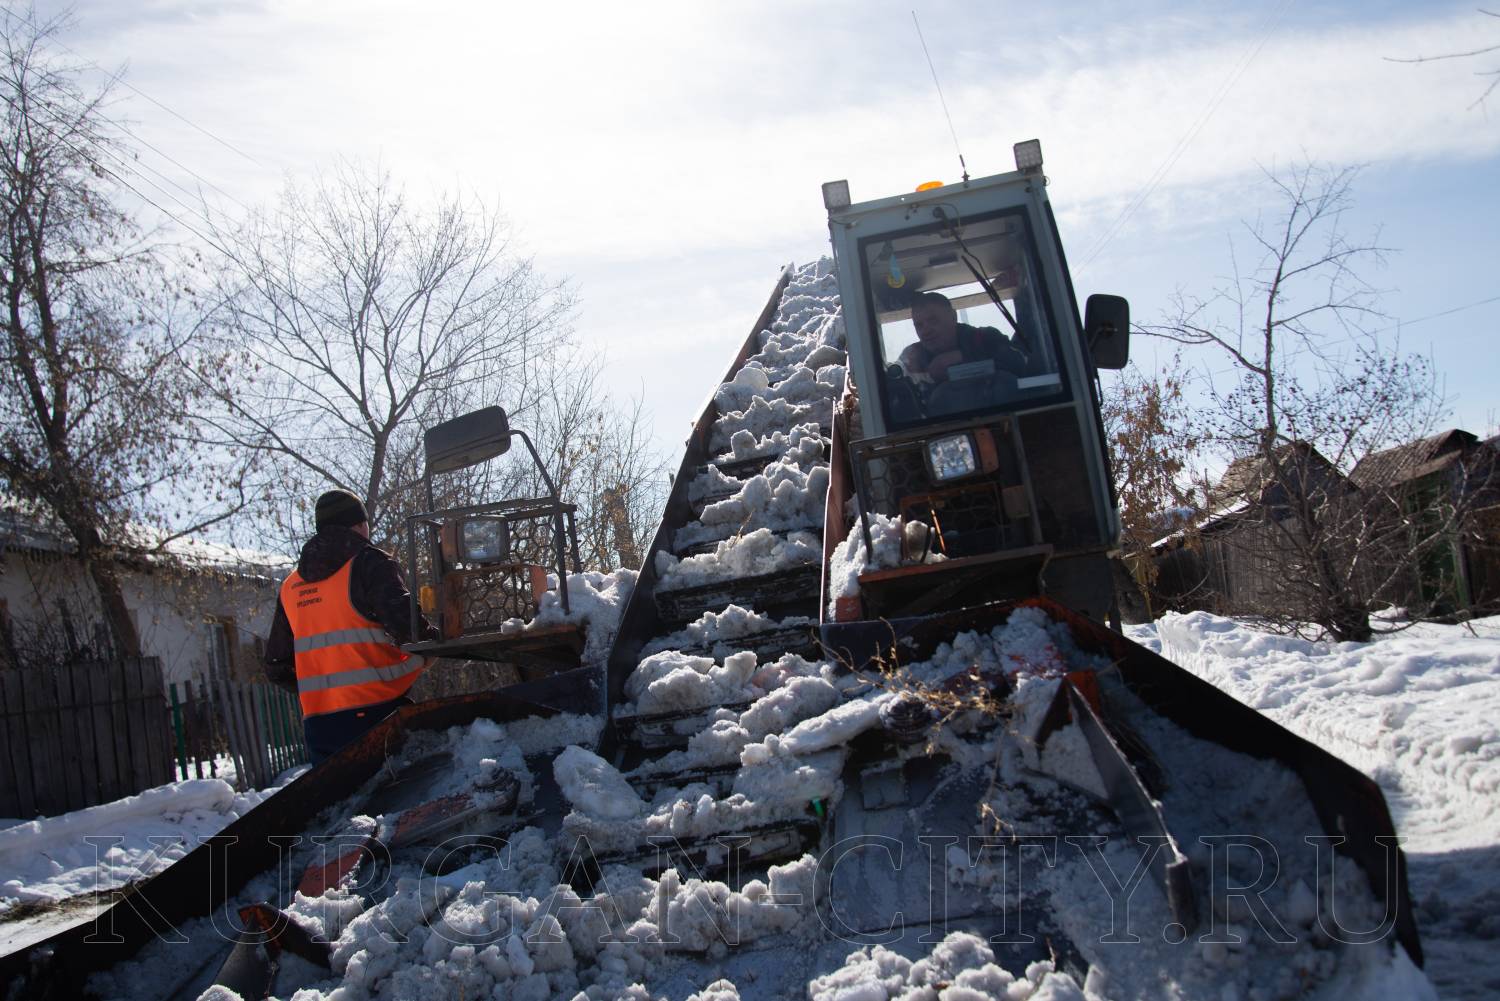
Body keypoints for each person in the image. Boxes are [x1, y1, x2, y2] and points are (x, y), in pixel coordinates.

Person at [265, 489, 437, 764]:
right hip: (379, 715)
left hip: (320, 727)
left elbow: (276, 666)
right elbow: (408, 627)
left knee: (341, 792)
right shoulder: (369, 563)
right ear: (359, 525)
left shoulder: (290, 587)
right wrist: (433, 647)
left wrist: (327, 690)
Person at [897, 290, 1031, 384]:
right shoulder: (912, 357)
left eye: (933, 320)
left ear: (953, 317)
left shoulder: (986, 338)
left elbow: (1020, 363)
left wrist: (964, 357)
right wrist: (923, 375)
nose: (925, 330)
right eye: (919, 325)